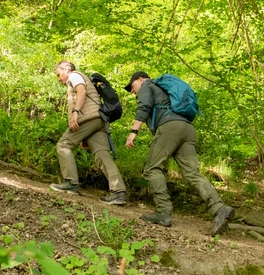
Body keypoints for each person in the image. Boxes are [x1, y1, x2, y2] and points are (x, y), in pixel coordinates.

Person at [124, 71, 234, 235]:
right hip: (187, 128)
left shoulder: (147, 85)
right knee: (192, 174)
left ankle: (163, 212)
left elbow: (144, 106)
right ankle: (219, 208)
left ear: (140, 79)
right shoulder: (163, 90)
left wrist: (133, 131)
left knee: (152, 169)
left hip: (170, 128)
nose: (133, 92)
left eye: (132, 87)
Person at [50, 61, 127, 205]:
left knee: (63, 145)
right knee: (102, 154)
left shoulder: (74, 76)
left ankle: (71, 183)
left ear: (66, 69)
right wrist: (85, 136)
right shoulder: (79, 77)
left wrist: (75, 112)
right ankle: (119, 192)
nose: (59, 78)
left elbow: (82, 91)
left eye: (59, 74)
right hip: (99, 120)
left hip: (88, 118)